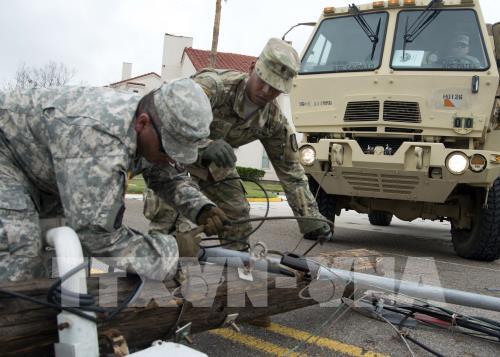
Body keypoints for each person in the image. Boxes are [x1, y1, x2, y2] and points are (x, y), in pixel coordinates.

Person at [0, 78, 227, 282]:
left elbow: (165, 175)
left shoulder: (151, 124)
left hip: (41, 164)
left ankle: (49, 317)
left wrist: (201, 208)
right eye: (168, 150)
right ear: (142, 123)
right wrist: (172, 250)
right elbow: (98, 238)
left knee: (61, 256)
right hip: (6, 153)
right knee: (19, 250)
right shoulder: (101, 142)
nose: (170, 158)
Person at [144, 38, 333, 251]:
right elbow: (165, 120)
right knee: (175, 227)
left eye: (275, 89)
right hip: (172, 159)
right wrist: (203, 145)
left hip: (213, 169)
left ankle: (233, 277)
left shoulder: (273, 121)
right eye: (263, 81)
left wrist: (311, 218)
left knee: (237, 216)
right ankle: (156, 265)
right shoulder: (213, 87)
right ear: (253, 68)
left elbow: (292, 174)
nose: (265, 92)